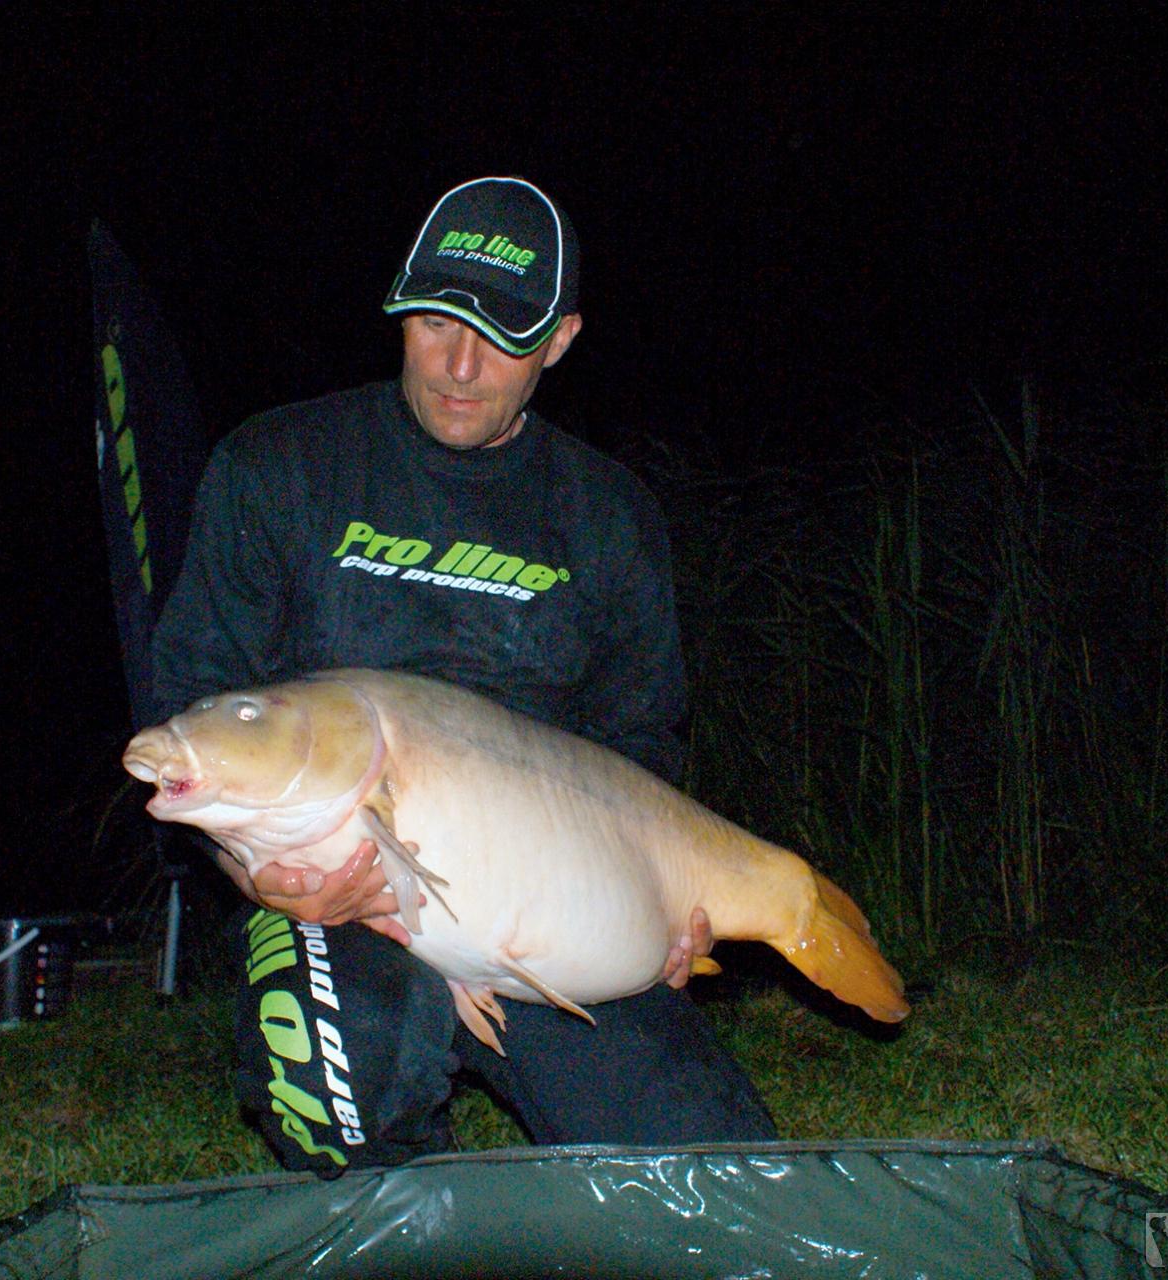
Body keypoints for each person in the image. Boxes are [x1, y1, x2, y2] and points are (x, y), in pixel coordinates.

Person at [150, 176, 775, 1171]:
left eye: (502, 335)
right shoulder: (277, 467)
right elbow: (197, 714)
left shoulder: (609, 516)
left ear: (560, 341)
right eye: (435, 320)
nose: (459, 363)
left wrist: (658, 901)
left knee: (712, 1167)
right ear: (399, 309)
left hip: (544, 915)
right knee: (338, 1080)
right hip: (347, 912)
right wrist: (262, 877)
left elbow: (639, 745)